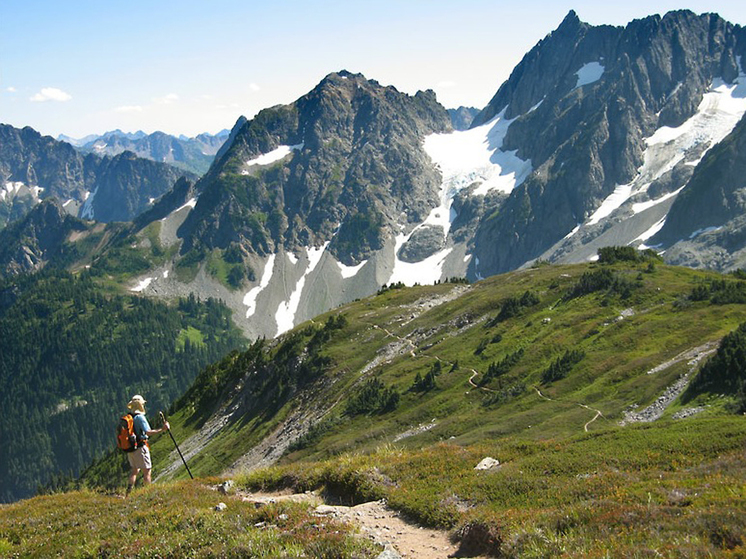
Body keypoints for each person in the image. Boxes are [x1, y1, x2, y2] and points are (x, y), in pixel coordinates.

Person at [125, 394, 169, 495]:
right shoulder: (140, 418)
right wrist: (162, 429)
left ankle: (128, 493)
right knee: (147, 471)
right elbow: (148, 432)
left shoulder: (130, 417)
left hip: (130, 448)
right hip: (140, 447)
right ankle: (148, 494)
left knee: (134, 471)